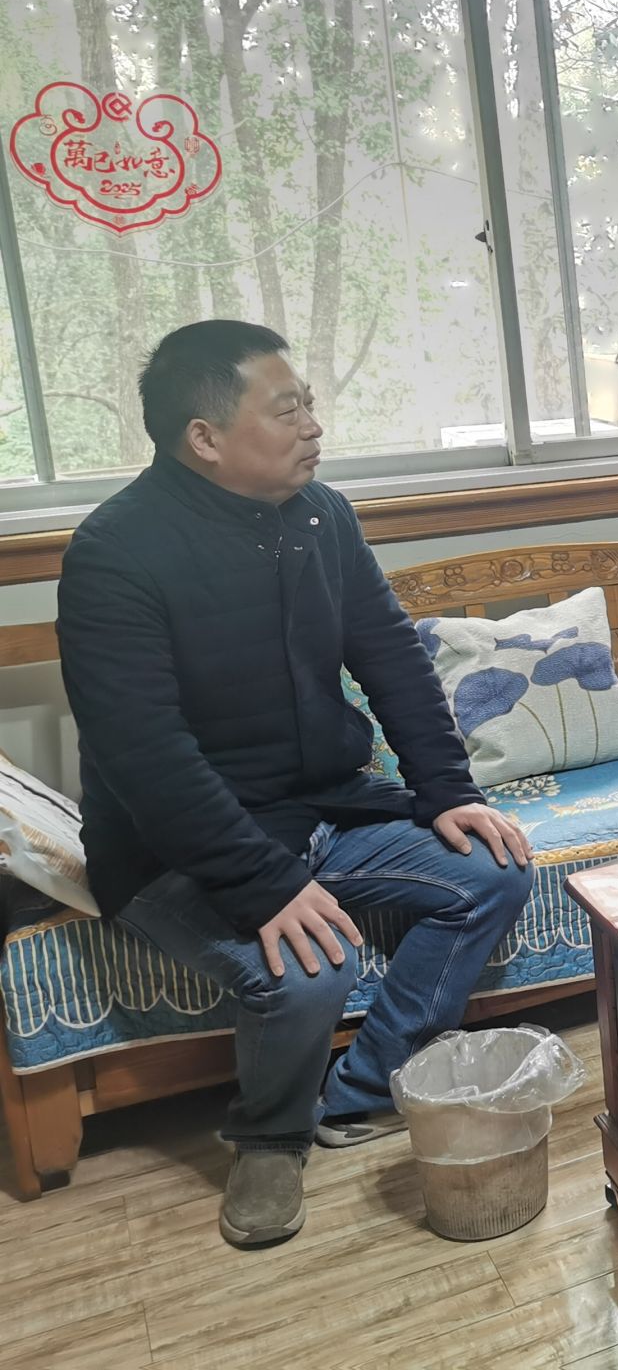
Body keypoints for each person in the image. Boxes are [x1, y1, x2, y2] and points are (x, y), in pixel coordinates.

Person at [57, 321, 534, 1249]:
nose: (313, 425)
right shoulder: (115, 553)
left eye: (308, 403)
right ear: (204, 438)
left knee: (494, 871)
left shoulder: (322, 516)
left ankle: (364, 1095)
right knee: (314, 968)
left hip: (324, 806)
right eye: (287, 410)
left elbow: (390, 655)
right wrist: (267, 885)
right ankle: (269, 1139)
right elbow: (145, 754)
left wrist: (446, 790)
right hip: (177, 846)